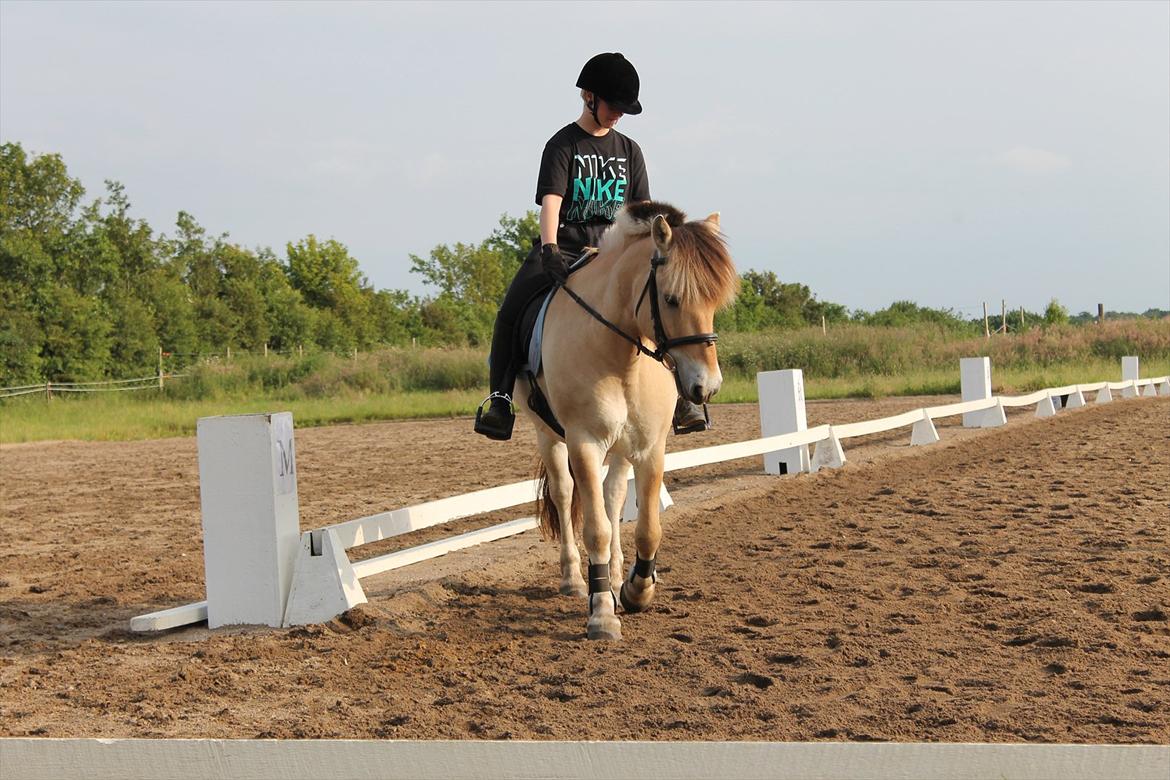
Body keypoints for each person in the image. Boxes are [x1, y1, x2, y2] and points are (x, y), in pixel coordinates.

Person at [475, 52, 710, 441]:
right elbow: (551, 200)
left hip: (614, 253)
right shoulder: (563, 144)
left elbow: (643, 212)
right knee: (511, 310)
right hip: (566, 248)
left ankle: (684, 399)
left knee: (661, 302)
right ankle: (500, 398)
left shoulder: (630, 150)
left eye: (623, 109)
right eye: (614, 106)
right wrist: (549, 248)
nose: (618, 114)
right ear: (588, 97)